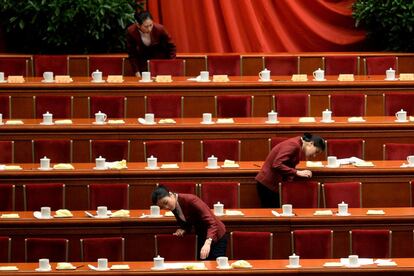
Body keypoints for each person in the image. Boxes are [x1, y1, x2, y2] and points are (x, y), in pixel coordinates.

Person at [151, 186, 227, 260]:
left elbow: (212, 223)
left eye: (166, 202)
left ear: (171, 194)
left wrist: (207, 243)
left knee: (213, 267)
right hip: (202, 235)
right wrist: (183, 229)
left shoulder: (191, 200)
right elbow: (188, 221)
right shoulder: (173, 205)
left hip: (216, 236)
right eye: (162, 207)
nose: (166, 207)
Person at [255, 133, 325, 208]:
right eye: (316, 151)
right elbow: (277, 164)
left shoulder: (297, 143)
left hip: (271, 184)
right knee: (271, 216)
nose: (314, 155)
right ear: (311, 143)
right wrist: (297, 172)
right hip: (268, 184)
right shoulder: (294, 145)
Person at [126, 11, 177, 76]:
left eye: (151, 25)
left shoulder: (160, 29)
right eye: (146, 26)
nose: (149, 29)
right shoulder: (131, 32)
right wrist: (136, 71)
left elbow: (172, 47)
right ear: (138, 25)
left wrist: (169, 64)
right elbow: (132, 53)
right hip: (143, 63)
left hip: (160, 61)